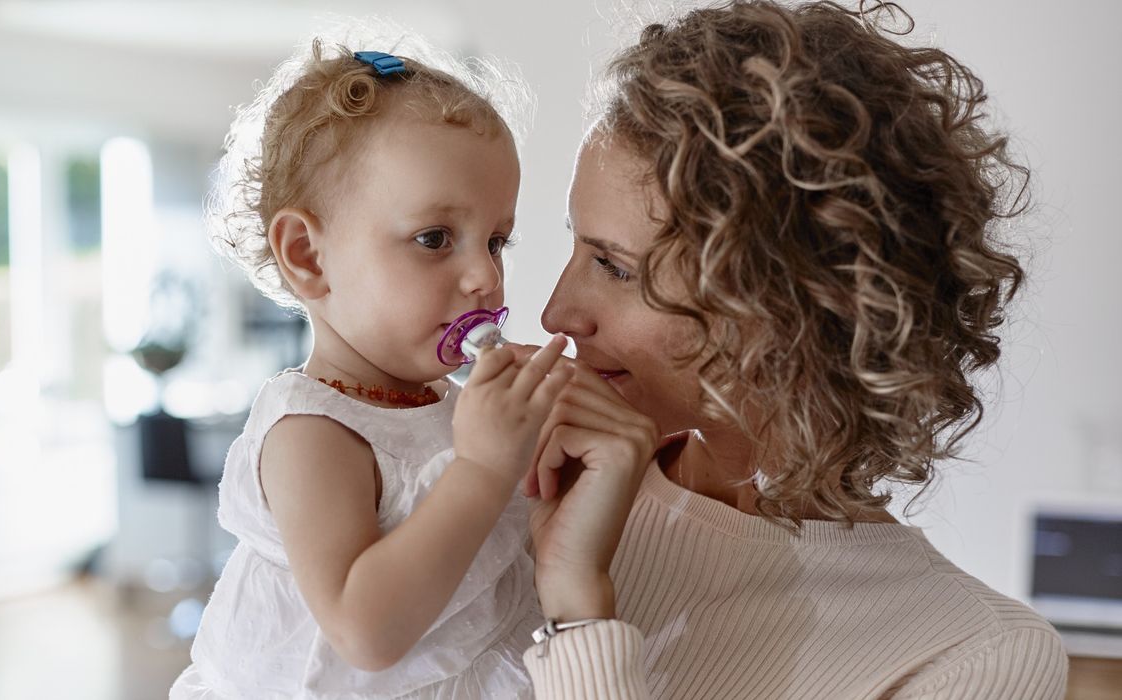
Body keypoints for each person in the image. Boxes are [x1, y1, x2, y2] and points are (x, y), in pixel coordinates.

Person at [515, 2, 1068, 697]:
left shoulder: (968, 656)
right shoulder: (517, 478)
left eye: (616, 268)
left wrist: (577, 617)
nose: (555, 314)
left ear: (782, 310)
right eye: (576, 247)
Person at [170, 38, 572, 699]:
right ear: (308, 255)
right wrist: (482, 467)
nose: (483, 276)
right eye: (434, 239)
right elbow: (366, 633)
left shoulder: (448, 408)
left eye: (496, 241)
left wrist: (536, 440)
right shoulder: (312, 434)